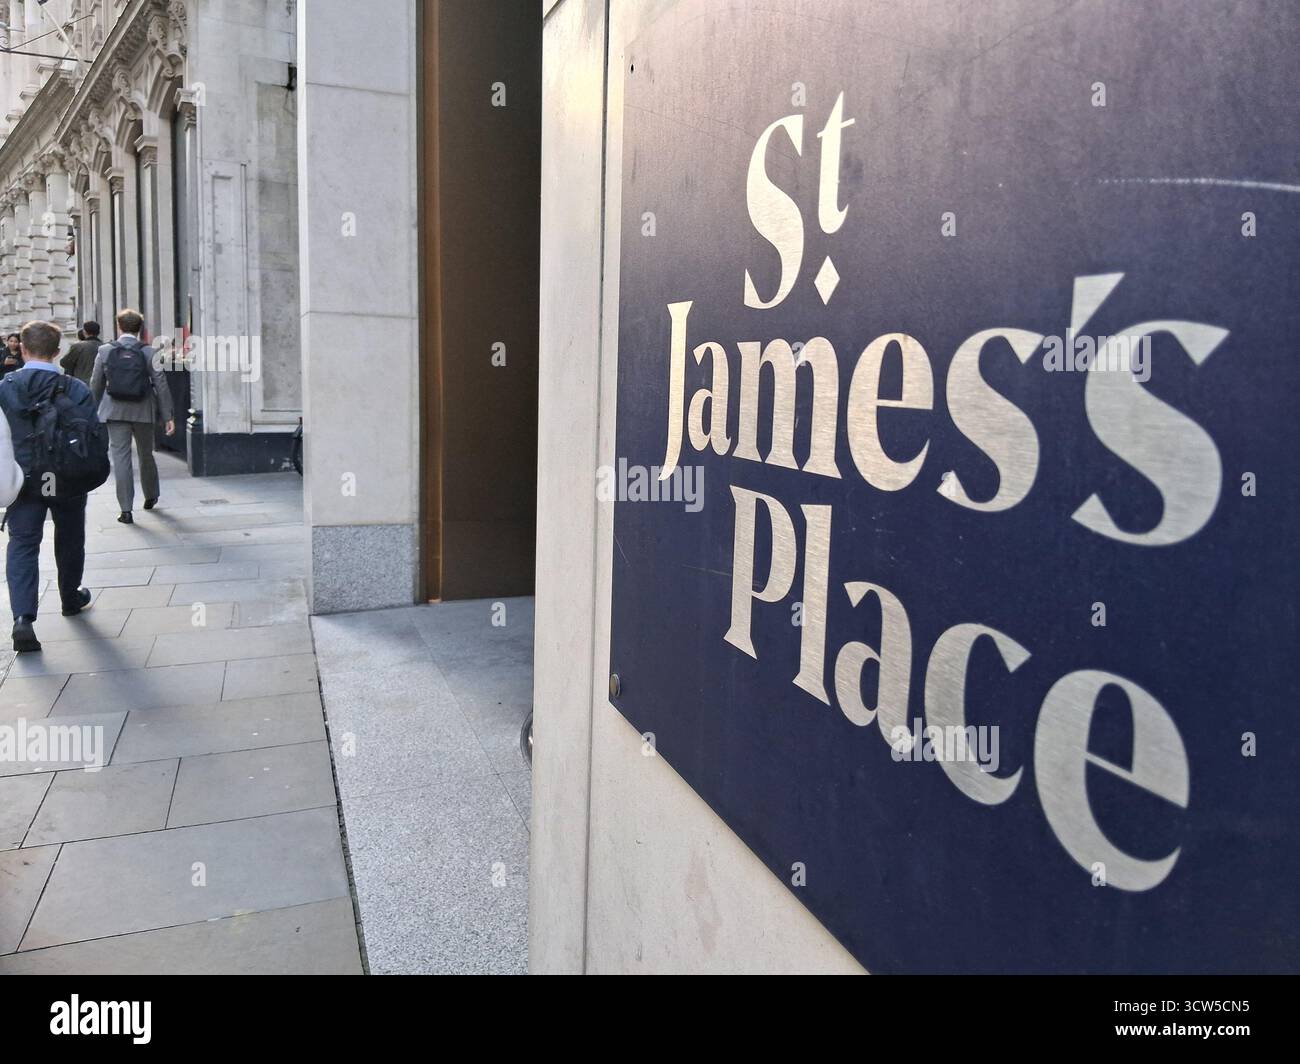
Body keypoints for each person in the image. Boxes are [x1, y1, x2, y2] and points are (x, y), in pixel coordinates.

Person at [0, 320, 99, 653]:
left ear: (23, 349)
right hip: (66, 477)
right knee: (70, 538)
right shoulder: (76, 389)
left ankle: (22, 619)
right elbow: (91, 435)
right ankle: (70, 597)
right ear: (58, 352)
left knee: (23, 544)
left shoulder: (6, 386)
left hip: (25, 479)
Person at [90, 309, 175, 524]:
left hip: (115, 410)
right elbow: (161, 383)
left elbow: (96, 383)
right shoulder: (149, 352)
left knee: (121, 458)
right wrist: (168, 415)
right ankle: (151, 495)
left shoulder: (105, 350)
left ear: (119, 326)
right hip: (143, 410)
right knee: (147, 454)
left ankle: (126, 509)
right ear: (140, 329)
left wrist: (93, 410)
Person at [61, 321, 101, 385]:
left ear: (84, 332)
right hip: (100, 386)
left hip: (80, 385)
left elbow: (64, 362)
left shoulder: (78, 346)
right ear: (98, 332)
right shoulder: (105, 347)